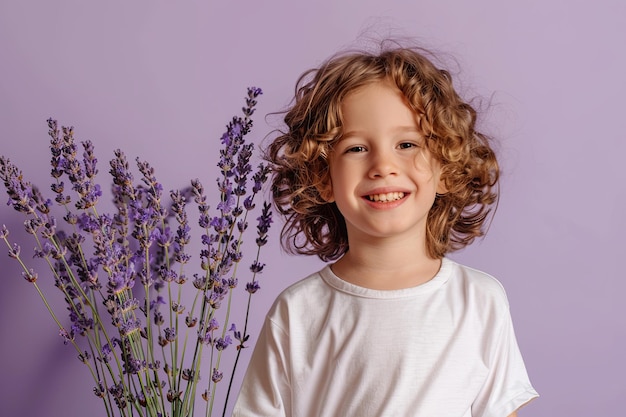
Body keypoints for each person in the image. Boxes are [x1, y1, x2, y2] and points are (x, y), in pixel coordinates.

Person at [232, 42, 538, 417]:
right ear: (322, 177)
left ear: (447, 167)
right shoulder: (296, 313)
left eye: (407, 144)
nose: (383, 165)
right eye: (357, 148)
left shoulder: (479, 301)